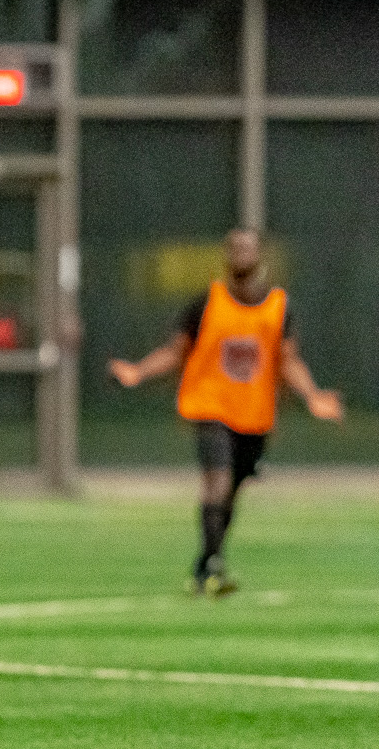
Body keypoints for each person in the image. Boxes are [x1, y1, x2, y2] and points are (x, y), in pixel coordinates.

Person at [109, 227, 343, 595]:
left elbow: (288, 361)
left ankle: (206, 562)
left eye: (247, 248)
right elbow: (177, 351)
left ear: (260, 255)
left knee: (231, 491)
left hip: (254, 416)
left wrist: (312, 395)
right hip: (210, 407)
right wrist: (139, 371)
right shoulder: (207, 303)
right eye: (234, 248)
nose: (240, 254)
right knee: (216, 483)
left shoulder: (278, 307)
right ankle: (214, 567)